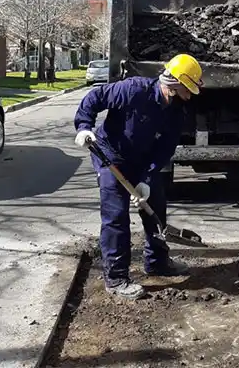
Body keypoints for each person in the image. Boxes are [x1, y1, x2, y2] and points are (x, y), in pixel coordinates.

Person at [73, 54, 203, 299]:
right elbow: (94, 98)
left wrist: (146, 178)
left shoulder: (176, 113)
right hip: (110, 156)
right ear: (175, 86)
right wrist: (84, 127)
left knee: (156, 207)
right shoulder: (134, 89)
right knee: (116, 216)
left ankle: (156, 262)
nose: (190, 95)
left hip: (141, 162)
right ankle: (117, 278)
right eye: (188, 89)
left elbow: (165, 149)